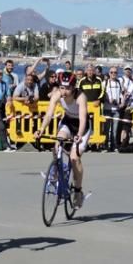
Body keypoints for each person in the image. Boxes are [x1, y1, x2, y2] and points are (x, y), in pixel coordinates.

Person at [34, 71, 90, 207]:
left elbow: (83, 119)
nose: (65, 91)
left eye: (68, 88)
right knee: (57, 144)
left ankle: (77, 191)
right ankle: (57, 172)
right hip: (67, 122)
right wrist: (41, 129)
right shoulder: (57, 95)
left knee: (74, 158)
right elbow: (48, 115)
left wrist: (79, 134)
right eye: (62, 87)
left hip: (82, 128)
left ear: (74, 87)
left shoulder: (80, 97)